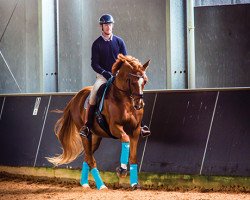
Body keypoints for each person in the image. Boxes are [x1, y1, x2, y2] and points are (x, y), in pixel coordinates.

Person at [80, 14, 150, 138]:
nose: (108, 27)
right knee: (93, 95)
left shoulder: (119, 41)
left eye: (110, 24)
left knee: (133, 92)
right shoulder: (97, 44)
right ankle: (87, 126)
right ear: (101, 26)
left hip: (119, 76)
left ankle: (140, 125)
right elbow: (94, 64)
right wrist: (105, 73)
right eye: (106, 25)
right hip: (103, 76)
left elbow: (126, 60)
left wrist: (121, 73)